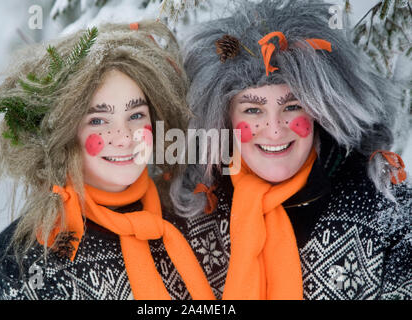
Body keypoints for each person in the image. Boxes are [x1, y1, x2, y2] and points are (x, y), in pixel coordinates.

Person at [169, 0, 412, 300]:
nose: (274, 129)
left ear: (320, 112)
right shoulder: (196, 211)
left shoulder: (385, 209)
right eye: (253, 110)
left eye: (292, 106)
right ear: (224, 118)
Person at [0, 21, 216, 300]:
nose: (124, 137)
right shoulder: (28, 256)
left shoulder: (194, 210)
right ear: (65, 134)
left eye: (136, 115)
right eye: (98, 120)